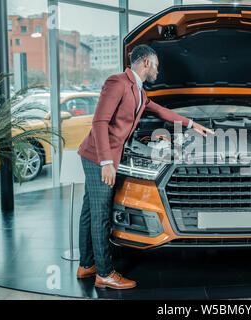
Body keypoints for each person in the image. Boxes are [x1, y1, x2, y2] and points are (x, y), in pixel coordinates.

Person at [76, 44, 213, 289]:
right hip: (99, 156)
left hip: (101, 155)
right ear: (146, 63)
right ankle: (105, 274)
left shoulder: (138, 89)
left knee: (89, 211)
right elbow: (99, 122)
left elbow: (159, 110)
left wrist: (192, 124)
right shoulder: (117, 82)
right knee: (100, 214)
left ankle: (87, 265)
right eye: (157, 66)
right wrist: (106, 162)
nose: (158, 72)